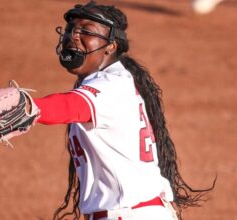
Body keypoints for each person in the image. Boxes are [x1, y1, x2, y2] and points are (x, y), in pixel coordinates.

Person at [32, 1, 215, 219]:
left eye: (86, 31)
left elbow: (69, 107)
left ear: (111, 45)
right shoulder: (108, 81)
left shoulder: (110, 85)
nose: (73, 36)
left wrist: (27, 108)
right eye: (71, 29)